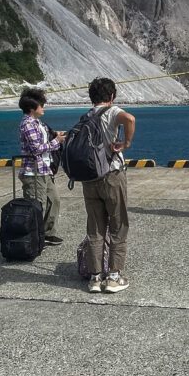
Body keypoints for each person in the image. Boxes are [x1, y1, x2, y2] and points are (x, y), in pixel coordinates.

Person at [81, 77, 135, 294]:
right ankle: (113, 276)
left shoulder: (86, 116)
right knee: (118, 224)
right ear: (111, 96)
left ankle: (95, 277)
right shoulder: (112, 112)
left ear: (92, 96)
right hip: (111, 175)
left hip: (89, 177)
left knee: (95, 227)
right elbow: (129, 119)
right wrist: (127, 143)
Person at [17, 88, 66, 246]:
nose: (43, 107)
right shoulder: (28, 124)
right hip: (33, 171)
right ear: (32, 109)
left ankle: (47, 233)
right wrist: (56, 142)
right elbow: (36, 148)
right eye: (41, 105)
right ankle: (34, 237)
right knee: (36, 205)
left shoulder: (38, 123)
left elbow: (45, 139)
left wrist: (56, 135)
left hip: (44, 169)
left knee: (54, 200)